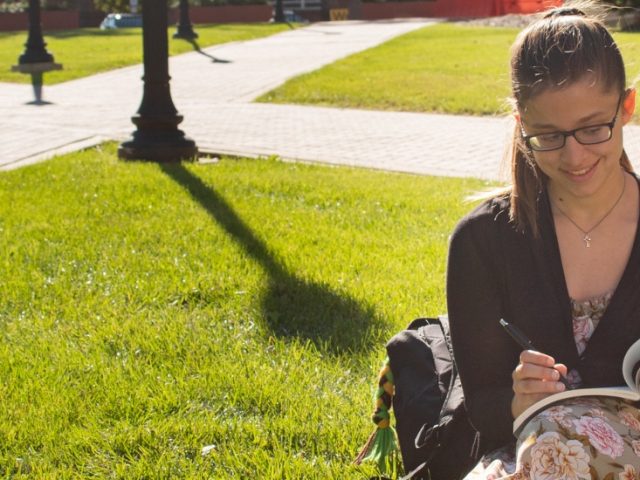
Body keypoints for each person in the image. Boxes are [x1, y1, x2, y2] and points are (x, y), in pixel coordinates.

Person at [447, 2, 640, 478]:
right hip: (532, 454)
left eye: (594, 128)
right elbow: (484, 412)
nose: (574, 157)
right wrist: (517, 400)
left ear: (628, 108)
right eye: (548, 136)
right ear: (521, 125)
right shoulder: (482, 241)